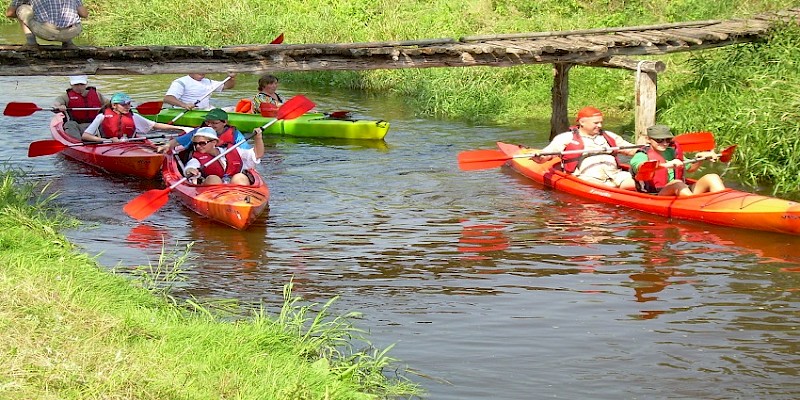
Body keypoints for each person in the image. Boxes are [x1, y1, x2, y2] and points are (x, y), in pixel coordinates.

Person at [532, 106, 639, 190]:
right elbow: (548, 154)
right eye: (596, 123)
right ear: (582, 122)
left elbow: (630, 149)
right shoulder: (566, 138)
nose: (600, 125)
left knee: (640, 184)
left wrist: (644, 150)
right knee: (602, 190)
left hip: (616, 175)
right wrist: (539, 158)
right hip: (588, 179)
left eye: (601, 122)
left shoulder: (609, 136)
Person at [630, 124, 725, 196]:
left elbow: (690, 168)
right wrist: (667, 165)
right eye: (659, 140)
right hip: (656, 195)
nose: (664, 143)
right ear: (648, 139)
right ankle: (694, 206)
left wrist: (700, 158)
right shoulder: (641, 155)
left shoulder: (672, 152)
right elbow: (642, 167)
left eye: (667, 140)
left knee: (712, 177)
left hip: (680, 190)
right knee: (677, 183)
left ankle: (723, 202)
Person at [82, 92, 190, 143]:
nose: (127, 107)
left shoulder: (133, 116)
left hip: (129, 145)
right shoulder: (102, 116)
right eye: (123, 105)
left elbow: (155, 126)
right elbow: (86, 136)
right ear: (114, 105)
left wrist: (181, 128)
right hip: (106, 145)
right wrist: (107, 140)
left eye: (129, 104)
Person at [183, 127, 264, 186]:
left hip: (237, 190)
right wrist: (190, 170)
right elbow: (191, 166)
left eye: (202, 143)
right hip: (213, 192)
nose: (198, 146)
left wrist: (258, 138)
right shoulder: (196, 159)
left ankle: (242, 203)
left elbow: (257, 155)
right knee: (213, 179)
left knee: (240, 177)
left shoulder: (232, 150)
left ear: (214, 142)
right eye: (195, 144)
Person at [156, 108, 252, 153]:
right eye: (208, 122)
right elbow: (177, 141)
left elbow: (247, 151)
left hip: (223, 162)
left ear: (224, 122)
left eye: (215, 123)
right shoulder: (199, 132)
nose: (210, 126)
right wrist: (167, 146)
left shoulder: (235, 134)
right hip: (199, 162)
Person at [5, 0, 88, 49]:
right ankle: (68, 43)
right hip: (71, 32)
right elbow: (84, 14)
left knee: (21, 9)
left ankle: (31, 44)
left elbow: (10, 13)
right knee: (70, 17)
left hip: (45, 32)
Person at [163, 73, 236, 111]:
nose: (202, 73)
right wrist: (184, 105)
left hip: (206, 110)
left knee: (234, 109)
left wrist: (231, 78)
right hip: (188, 111)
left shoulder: (208, 81)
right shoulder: (181, 82)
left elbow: (227, 86)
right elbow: (168, 98)